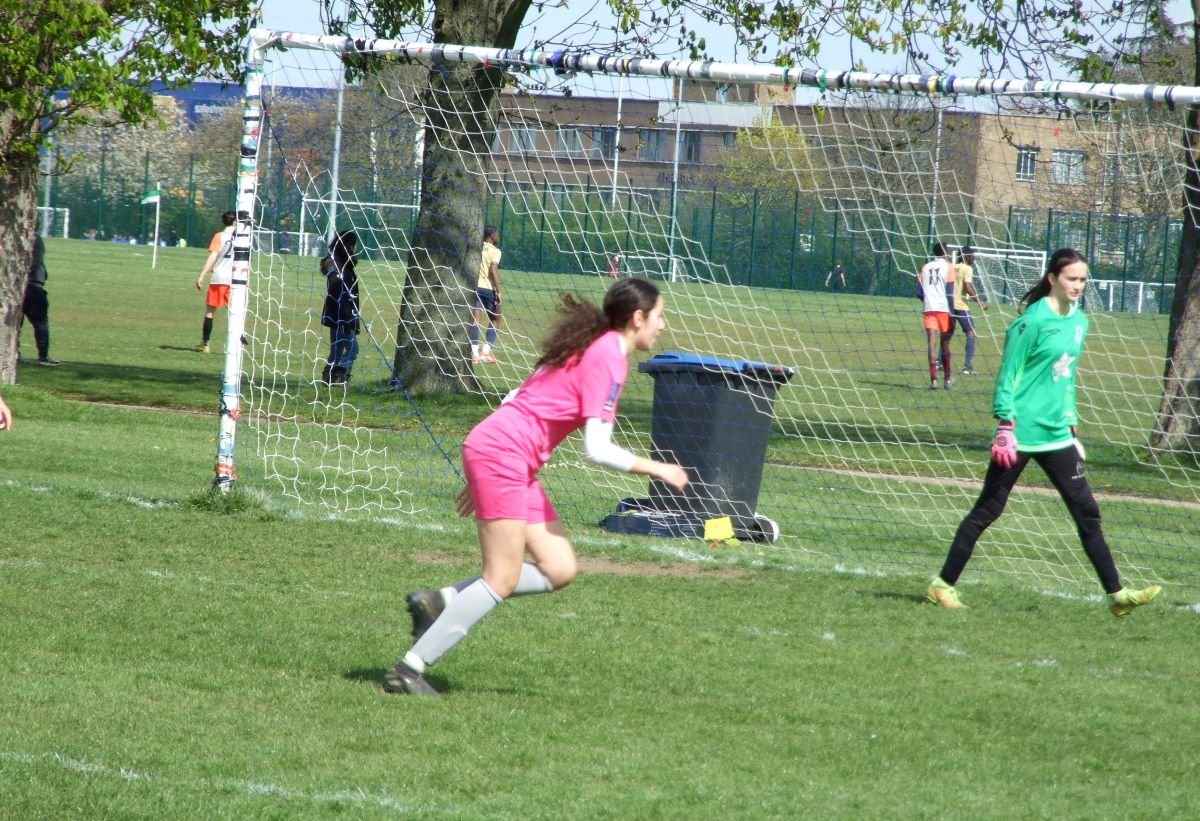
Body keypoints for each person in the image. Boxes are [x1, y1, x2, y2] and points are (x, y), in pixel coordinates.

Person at [384, 277, 691, 696]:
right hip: (504, 456)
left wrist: (484, 467)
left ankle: (440, 600)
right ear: (637, 318)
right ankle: (409, 669)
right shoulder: (608, 358)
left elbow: (518, 394)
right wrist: (659, 469)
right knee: (501, 578)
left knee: (559, 568)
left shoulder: (591, 344)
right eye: (659, 316)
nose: (663, 324)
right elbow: (597, 449)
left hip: (505, 457)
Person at [926, 248, 1161, 617]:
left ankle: (1117, 596)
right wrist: (1005, 425)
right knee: (988, 510)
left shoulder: (1081, 322)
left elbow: (1066, 377)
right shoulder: (1031, 322)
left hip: (1056, 436)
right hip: (1019, 433)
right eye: (1071, 278)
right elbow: (1009, 375)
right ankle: (942, 585)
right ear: (1052, 278)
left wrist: (1071, 425)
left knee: (1087, 511)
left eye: (1083, 279)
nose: (1078, 286)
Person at [320, 230, 360, 386]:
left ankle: (328, 379)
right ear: (349, 246)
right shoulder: (336, 265)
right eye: (353, 245)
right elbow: (336, 287)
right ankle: (338, 377)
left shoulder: (344, 264)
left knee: (336, 351)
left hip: (340, 314)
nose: (355, 249)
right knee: (352, 349)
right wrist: (347, 316)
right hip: (341, 315)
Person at [193, 210, 236, 353]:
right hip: (236, 280)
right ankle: (235, 346)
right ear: (236, 222)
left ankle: (205, 344)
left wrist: (202, 275)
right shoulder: (242, 237)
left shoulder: (219, 236)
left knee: (210, 312)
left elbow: (213, 256)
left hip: (219, 279)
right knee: (236, 313)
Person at [21, 222, 60, 366]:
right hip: (33, 285)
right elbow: (36, 262)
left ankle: (14, 353)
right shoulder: (35, 239)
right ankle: (43, 355)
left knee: (17, 322)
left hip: (20, 286)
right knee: (40, 322)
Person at [917, 242, 954, 390]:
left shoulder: (925, 267)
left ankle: (933, 380)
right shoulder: (948, 267)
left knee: (931, 343)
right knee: (944, 344)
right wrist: (953, 313)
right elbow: (950, 292)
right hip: (943, 309)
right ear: (945, 252)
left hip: (929, 309)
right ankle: (947, 380)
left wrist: (928, 301)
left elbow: (919, 292)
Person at [952, 245, 989, 375]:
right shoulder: (967, 268)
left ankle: (940, 362)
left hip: (950, 306)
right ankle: (967, 367)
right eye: (973, 255)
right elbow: (968, 287)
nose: (974, 258)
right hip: (961, 306)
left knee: (947, 334)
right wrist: (980, 303)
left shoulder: (952, 267)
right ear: (967, 256)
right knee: (971, 334)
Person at [469, 225, 502, 364]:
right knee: (496, 318)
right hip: (488, 289)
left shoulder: (476, 247)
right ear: (492, 236)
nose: (498, 237)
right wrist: (499, 290)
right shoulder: (495, 251)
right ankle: (486, 351)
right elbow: (493, 269)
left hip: (474, 287)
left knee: (475, 320)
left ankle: (475, 354)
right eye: (497, 234)